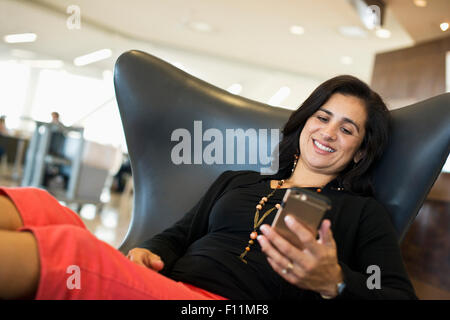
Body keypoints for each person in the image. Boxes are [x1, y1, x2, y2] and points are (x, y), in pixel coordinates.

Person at [0, 75, 417, 300]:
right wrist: (152, 251)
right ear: (306, 120)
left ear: (360, 151)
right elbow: (177, 236)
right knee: (40, 205)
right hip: (170, 286)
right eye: (322, 117)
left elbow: (396, 295)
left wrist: (335, 281)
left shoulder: (361, 213)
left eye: (347, 129)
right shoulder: (237, 181)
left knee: (75, 253)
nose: (328, 132)